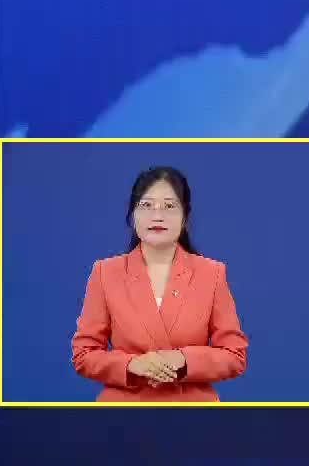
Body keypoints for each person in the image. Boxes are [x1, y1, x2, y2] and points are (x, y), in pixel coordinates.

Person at [71, 166, 249, 402]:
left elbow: (234, 355)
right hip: (123, 410)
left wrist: (184, 360)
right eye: (147, 205)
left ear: (185, 218)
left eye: (169, 206)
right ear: (132, 215)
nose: (157, 216)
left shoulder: (212, 274)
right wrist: (132, 364)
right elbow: (84, 354)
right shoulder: (105, 273)